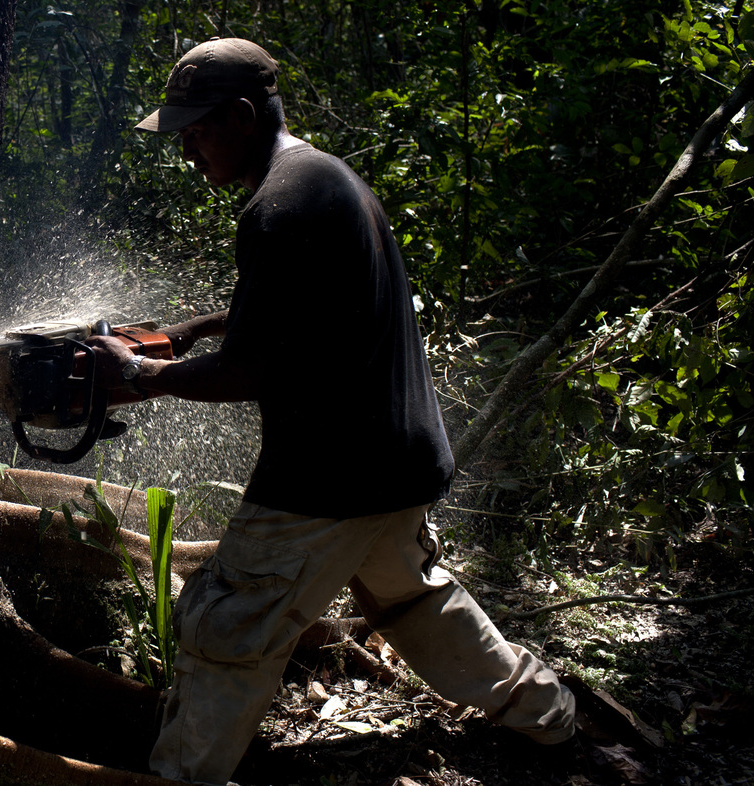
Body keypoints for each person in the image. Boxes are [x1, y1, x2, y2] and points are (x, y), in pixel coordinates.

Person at [85, 38, 576, 786]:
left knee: (226, 629)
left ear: (243, 115)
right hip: (400, 463)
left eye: (196, 133)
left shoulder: (275, 208)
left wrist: (143, 372)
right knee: (415, 604)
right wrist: (193, 329)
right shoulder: (325, 180)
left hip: (325, 481)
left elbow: (252, 369)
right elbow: (307, 306)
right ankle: (549, 715)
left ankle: (178, 777)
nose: (188, 151)